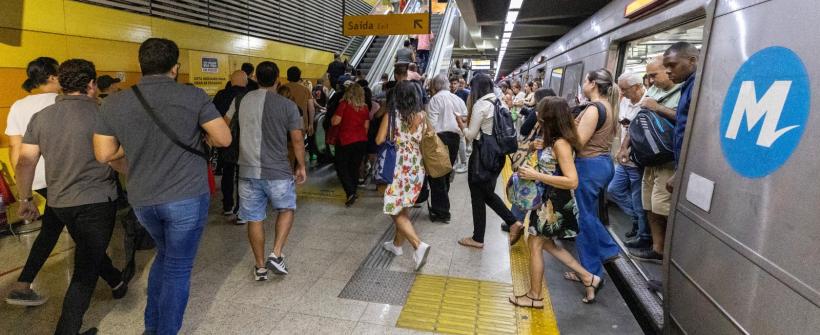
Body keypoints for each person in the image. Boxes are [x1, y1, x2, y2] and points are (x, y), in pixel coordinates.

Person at [94, 38, 232, 334]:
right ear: (175, 67)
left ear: (141, 65)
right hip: (186, 197)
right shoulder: (192, 96)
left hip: (143, 197)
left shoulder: (115, 101)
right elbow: (224, 139)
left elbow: (104, 154)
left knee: (165, 254)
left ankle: (151, 328)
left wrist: (134, 157)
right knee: (178, 267)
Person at [17, 59, 126, 335]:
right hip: (97, 201)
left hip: (59, 201)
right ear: (91, 84)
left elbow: (25, 162)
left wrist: (25, 199)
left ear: (61, 85)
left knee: (90, 250)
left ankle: (116, 281)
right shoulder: (104, 113)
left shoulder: (41, 117)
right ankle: (67, 331)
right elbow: (117, 158)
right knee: (84, 272)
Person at [507, 97, 603, 308]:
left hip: (552, 203)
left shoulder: (561, 144)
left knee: (535, 244)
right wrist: (535, 148)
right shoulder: (555, 140)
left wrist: (535, 175)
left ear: (548, 117)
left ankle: (534, 297)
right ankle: (588, 277)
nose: (537, 117)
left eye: (540, 114)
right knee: (545, 243)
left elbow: (572, 180)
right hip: (547, 200)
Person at [226, 61, 306, 281]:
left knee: (254, 218)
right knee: (287, 208)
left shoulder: (240, 100)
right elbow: (297, 140)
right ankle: (276, 253)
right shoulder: (287, 105)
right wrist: (301, 165)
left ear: (256, 78)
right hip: (277, 170)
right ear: (277, 78)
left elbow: (224, 124)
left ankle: (260, 267)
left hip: (247, 170)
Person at [4, 57, 59, 307]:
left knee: (52, 228)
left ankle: (23, 284)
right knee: (83, 231)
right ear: (52, 76)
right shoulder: (61, 101)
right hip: (63, 176)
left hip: (35, 178)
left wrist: (24, 191)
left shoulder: (17, 106)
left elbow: (16, 151)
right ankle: (115, 280)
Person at [619, 57, 681, 265]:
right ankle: (656, 248)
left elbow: (686, 120)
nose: (651, 80)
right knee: (649, 204)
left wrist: (658, 108)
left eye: (654, 75)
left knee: (662, 206)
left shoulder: (683, 91)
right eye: (649, 76)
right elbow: (637, 122)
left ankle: (669, 254)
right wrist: (625, 146)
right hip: (648, 158)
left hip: (668, 159)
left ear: (668, 70)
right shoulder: (654, 91)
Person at [562, 68, 620, 284]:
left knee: (583, 219)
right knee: (588, 215)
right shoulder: (609, 107)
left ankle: (601, 257)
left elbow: (579, 142)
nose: (583, 85)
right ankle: (596, 263)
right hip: (601, 164)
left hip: (589, 166)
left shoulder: (595, 109)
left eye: (585, 81)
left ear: (593, 83)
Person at [459, 74, 522, 249]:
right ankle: (487, 233)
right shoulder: (499, 102)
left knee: (479, 194)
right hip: (497, 155)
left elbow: (471, 135)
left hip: (482, 156)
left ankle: (485, 235)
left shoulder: (481, 104)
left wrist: (461, 125)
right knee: (484, 193)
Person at [377, 80, 431, 271]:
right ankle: (397, 245)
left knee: (394, 208)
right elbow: (427, 140)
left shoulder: (392, 116)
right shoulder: (422, 116)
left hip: (397, 168)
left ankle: (418, 245)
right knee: (403, 205)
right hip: (416, 168)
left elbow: (379, 139)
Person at [608, 71, 648, 244]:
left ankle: (643, 234)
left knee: (638, 199)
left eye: (625, 89)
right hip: (624, 159)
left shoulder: (648, 103)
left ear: (638, 87)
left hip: (639, 160)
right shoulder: (624, 101)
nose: (622, 94)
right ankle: (637, 220)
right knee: (613, 190)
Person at [425, 74, 467, 223]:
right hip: (455, 138)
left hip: (439, 139)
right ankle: (441, 205)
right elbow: (464, 118)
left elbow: (432, 124)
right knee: (446, 170)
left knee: (437, 174)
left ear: (435, 86)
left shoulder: (435, 100)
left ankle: (442, 211)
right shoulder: (458, 100)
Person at [213, 71, 248, 220]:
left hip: (226, 140)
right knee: (243, 176)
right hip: (245, 141)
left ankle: (227, 205)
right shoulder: (248, 96)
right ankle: (240, 211)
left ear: (231, 80)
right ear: (245, 82)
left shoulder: (221, 94)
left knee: (227, 172)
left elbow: (213, 116)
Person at [332, 83, 370, 206]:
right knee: (354, 167)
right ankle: (353, 191)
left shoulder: (344, 105)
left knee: (341, 167)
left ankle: (350, 192)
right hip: (361, 141)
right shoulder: (365, 107)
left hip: (345, 140)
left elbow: (335, 121)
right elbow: (366, 126)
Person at [284, 66, 316, 140]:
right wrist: (311, 124)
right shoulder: (305, 90)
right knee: (298, 146)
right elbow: (311, 108)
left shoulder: (282, 88)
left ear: (288, 76)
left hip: (284, 123)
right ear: (299, 76)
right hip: (301, 124)